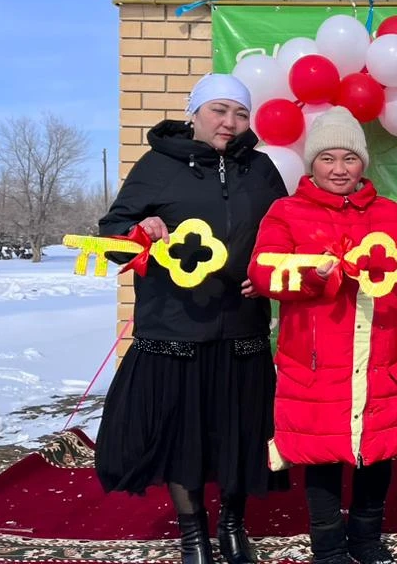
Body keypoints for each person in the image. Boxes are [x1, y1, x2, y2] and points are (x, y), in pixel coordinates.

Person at [95, 73, 288, 564]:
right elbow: (113, 235)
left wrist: (268, 271)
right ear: (195, 113)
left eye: (240, 113)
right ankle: (193, 534)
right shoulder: (158, 165)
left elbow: (286, 231)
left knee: (239, 433)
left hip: (242, 325)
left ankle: (231, 528)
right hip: (175, 325)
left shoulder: (262, 169)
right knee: (184, 437)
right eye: (219, 110)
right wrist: (141, 229)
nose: (230, 122)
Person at [248, 107, 397, 564]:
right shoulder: (286, 212)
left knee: (377, 452)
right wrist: (312, 273)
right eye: (328, 159)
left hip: (381, 353)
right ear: (312, 163)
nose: (339, 169)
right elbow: (263, 273)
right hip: (315, 357)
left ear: (363, 163)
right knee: (320, 455)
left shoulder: (389, 212)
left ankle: (365, 541)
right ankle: (328, 549)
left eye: (349, 158)